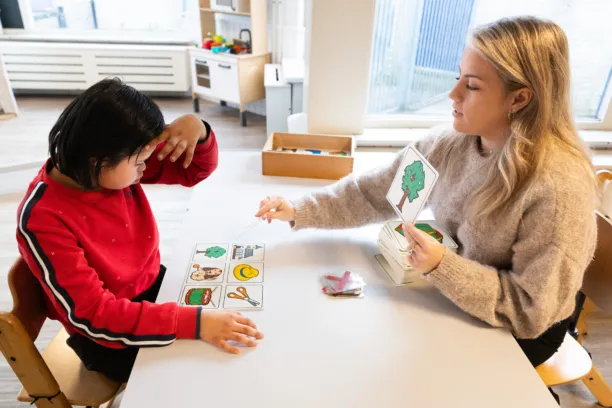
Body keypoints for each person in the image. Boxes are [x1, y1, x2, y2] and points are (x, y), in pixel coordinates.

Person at [256, 16, 599, 370]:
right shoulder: (451, 143)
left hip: (522, 334)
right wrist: (300, 209)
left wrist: (442, 266)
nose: (453, 95)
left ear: (520, 98)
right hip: (455, 293)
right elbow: (374, 193)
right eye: (457, 78)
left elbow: (531, 311)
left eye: (473, 86)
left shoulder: (558, 188)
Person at [16, 78, 263, 383]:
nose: (145, 169)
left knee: (229, 337)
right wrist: (196, 323)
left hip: (151, 287)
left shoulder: (104, 168)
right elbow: (95, 315)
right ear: (100, 161)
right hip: (106, 337)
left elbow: (192, 170)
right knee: (202, 374)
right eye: (141, 162)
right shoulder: (43, 218)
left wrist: (198, 129)